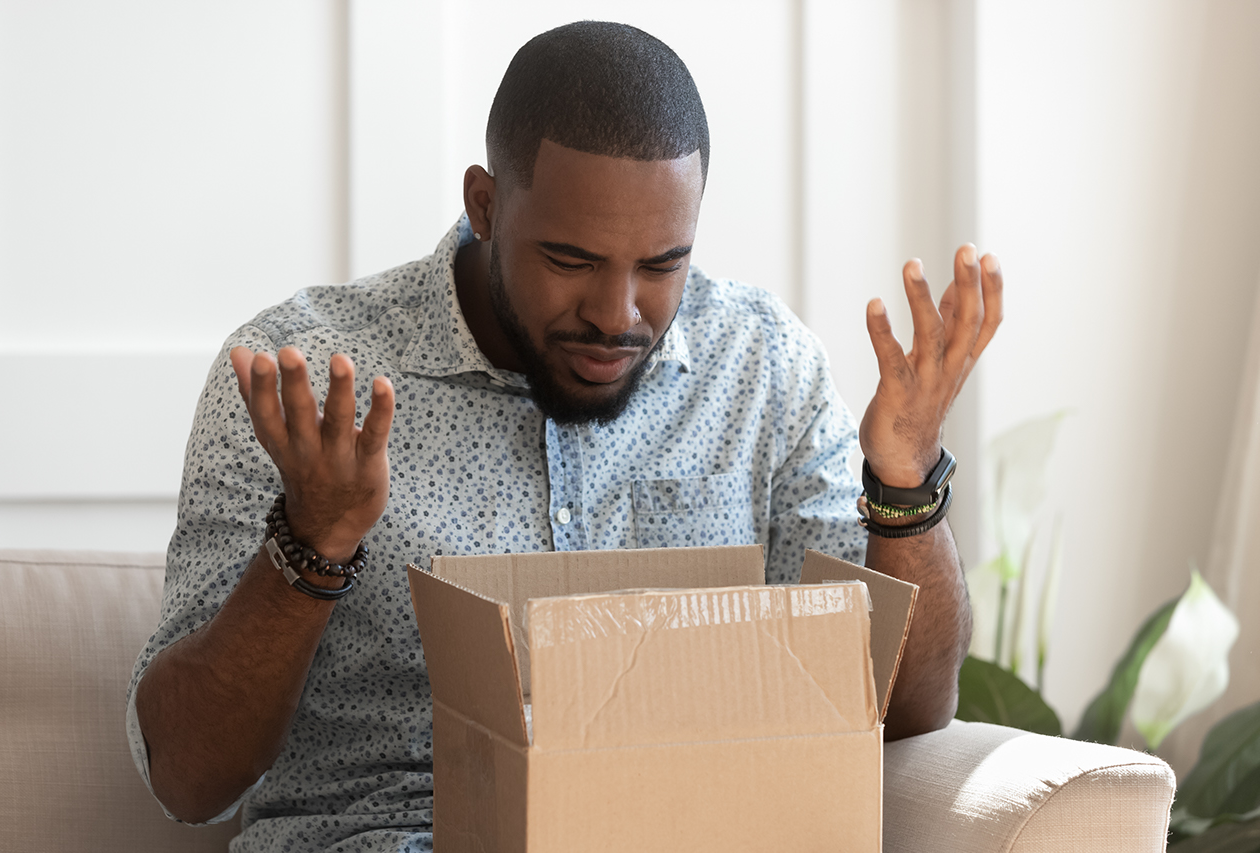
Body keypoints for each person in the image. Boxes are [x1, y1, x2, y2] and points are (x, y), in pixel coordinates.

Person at [128, 20, 1001, 853]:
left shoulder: (761, 367)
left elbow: (909, 709)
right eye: (572, 261)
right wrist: (311, 543)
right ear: (485, 203)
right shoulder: (310, 377)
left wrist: (905, 482)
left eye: (662, 265)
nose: (617, 315)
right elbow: (188, 778)